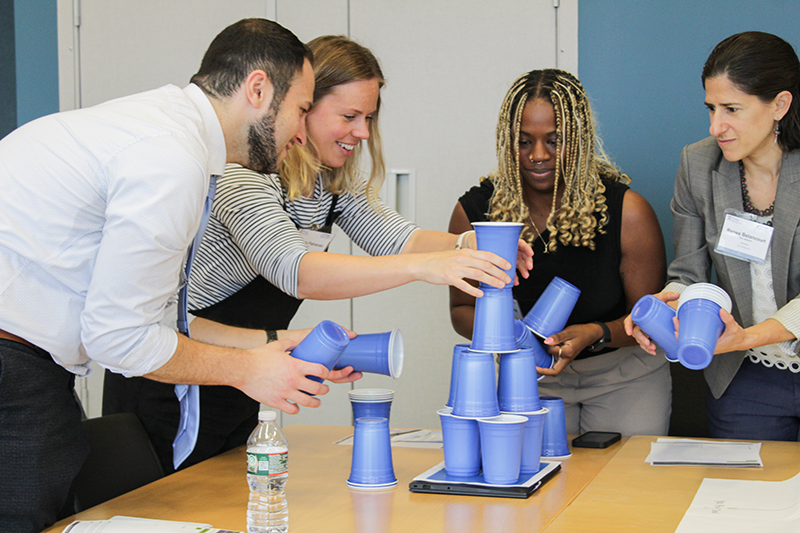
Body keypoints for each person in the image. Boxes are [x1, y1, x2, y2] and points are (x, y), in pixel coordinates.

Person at [103, 35, 534, 472]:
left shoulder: (329, 184)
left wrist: (464, 246)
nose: (362, 133)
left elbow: (399, 238)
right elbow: (297, 270)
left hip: (248, 369)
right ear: (302, 107)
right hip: (174, 374)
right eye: (348, 116)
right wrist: (428, 267)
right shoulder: (243, 176)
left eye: (368, 117)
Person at [0, 19, 359, 533]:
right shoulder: (170, 159)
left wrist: (271, 345)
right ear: (258, 89)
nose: (302, 132)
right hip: (13, 373)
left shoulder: (158, 129)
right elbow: (121, 340)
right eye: (301, 109)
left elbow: (161, 319)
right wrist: (247, 371)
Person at [450, 69, 670, 436]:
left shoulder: (627, 213)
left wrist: (595, 332)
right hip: (529, 376)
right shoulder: (476, 213)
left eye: (555, 140)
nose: (538, 155)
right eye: (524, 141)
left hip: (623, 375)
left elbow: (650, 319)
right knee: (539, 485)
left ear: (580, 140)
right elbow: (461, 310)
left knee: (624, 486)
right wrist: (514, 336)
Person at [625, 32, 800, 441]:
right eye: (711, 108)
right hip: (744, 377)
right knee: (742, 501)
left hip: (747, 342)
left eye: (731, 109)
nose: (715, 126)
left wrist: (749, 335)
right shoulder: (698, 163)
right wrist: (667, 305)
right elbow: (688, 272)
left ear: (780, 104)